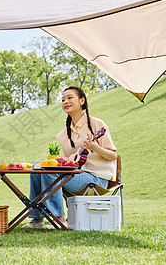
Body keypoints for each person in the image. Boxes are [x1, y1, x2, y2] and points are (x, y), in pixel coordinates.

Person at [22, 86, 118, 229]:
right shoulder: (63, 134)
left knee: (52, 172)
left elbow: (113, 155)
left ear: (82, 101)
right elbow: (70, 164)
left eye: (69, 98)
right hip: (76, 175)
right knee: (37, 167)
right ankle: (37, 219)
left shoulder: (96, 124)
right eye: (62, 100)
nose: (65, 101)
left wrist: (95, 148)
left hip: (96, 179)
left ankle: (59, 218)